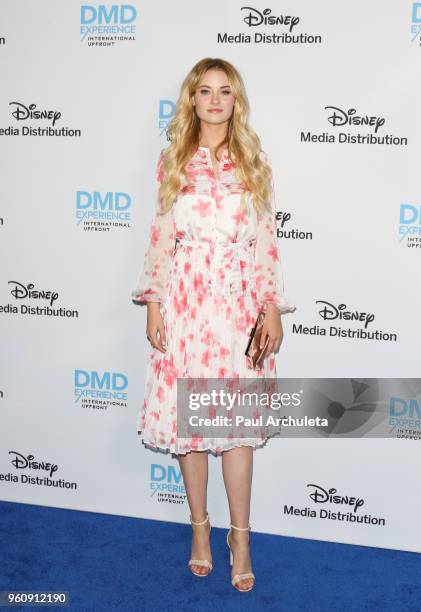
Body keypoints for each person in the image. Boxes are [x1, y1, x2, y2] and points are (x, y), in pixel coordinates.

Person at [131, 58, 296, 592]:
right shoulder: (173, 161)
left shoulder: (254, 161)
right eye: (205, 91)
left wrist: (270, 305)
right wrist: (154, 301)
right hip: (184, 304)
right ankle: (200, 530)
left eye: (225, 91)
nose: (215, 100)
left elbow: (267, 241)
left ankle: (241, 537)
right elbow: (161, 236)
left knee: (238, 431)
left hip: (238, 305)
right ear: (193, 100)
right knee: (191, 429)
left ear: (235, 100)